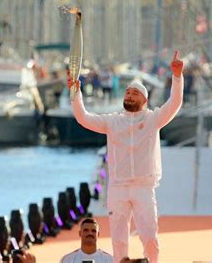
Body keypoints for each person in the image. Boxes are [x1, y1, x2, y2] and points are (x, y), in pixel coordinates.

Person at [68, 51, 184, 263]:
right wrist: (76, 92)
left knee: (150, 238)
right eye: (128, 92)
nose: (129, 95)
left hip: (143, 186)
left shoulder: (153, 119)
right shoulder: (112, 122)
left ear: (144, 99)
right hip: (118, 187)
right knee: (119, 241)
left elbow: (174, 103)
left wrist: (177, 77)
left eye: (134, 93)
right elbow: (83, 118)